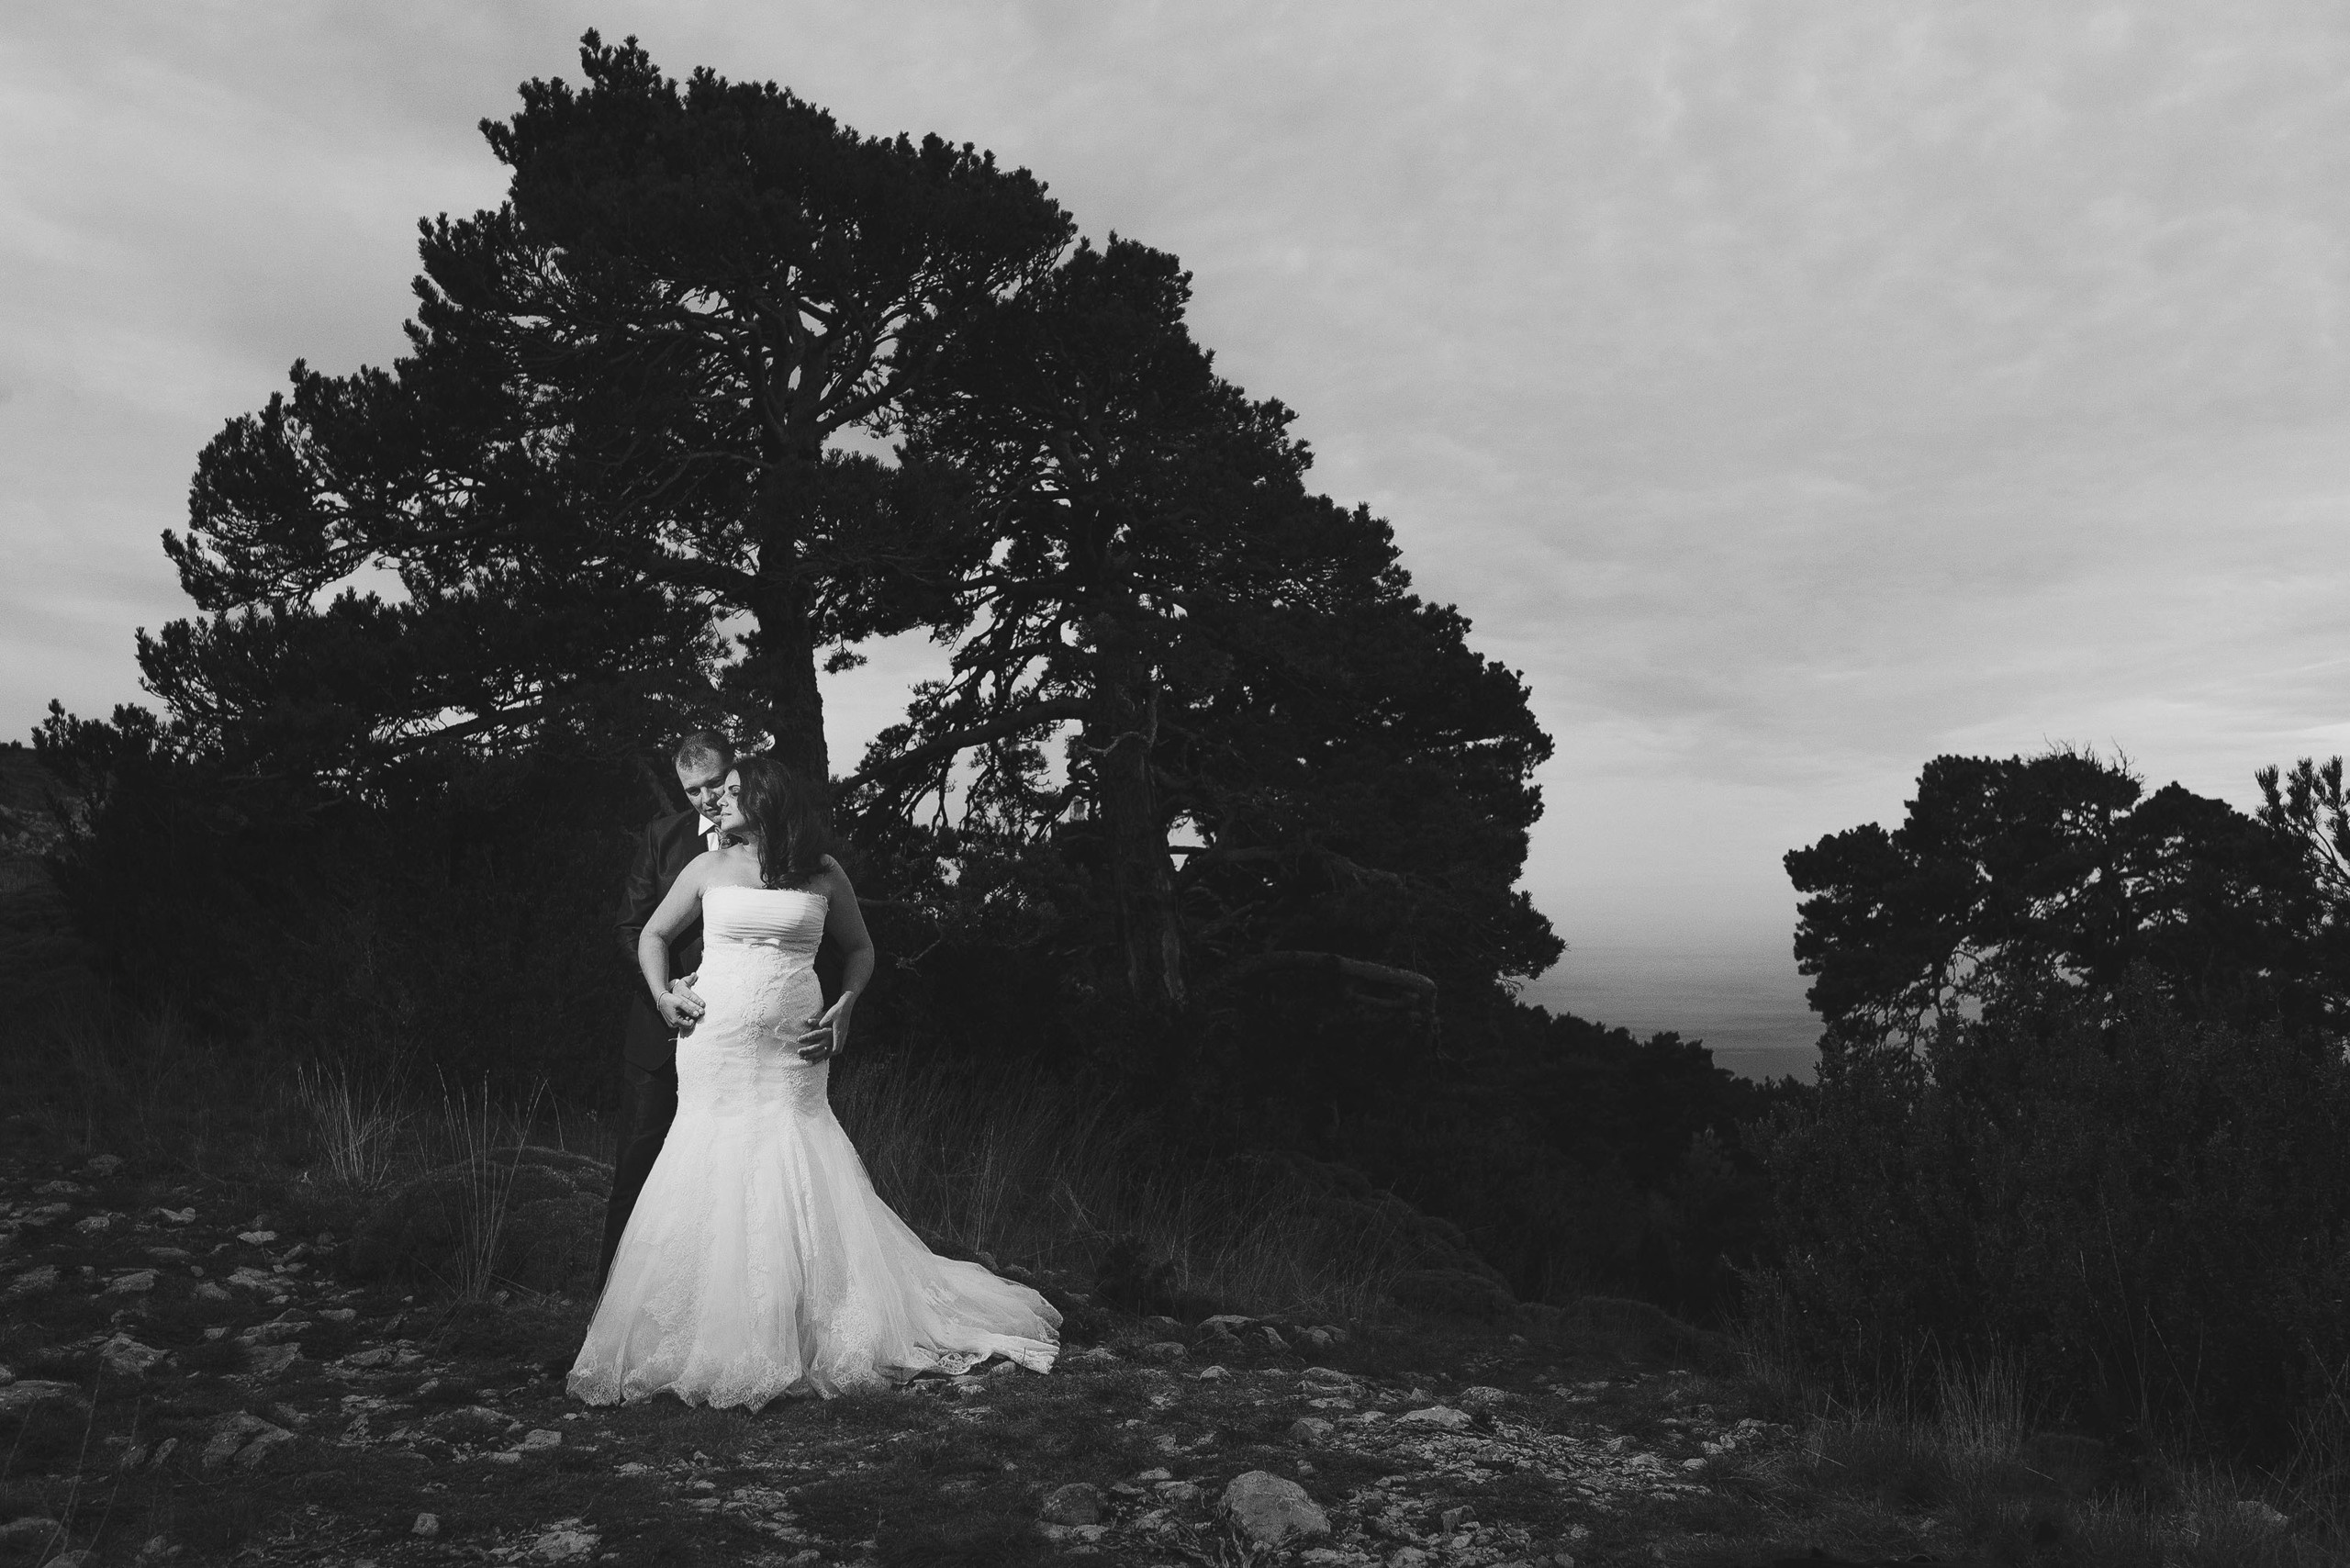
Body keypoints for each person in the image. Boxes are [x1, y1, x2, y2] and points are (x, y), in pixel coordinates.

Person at [568, 756, 1060, 1406]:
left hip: (795, 1049)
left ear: (768, 799)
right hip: (715, 1046)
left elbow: (860, 949)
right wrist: (663, 996)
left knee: (797, 1156)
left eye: (734, 791)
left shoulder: (823, 873)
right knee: (708, 1159)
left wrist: (848, 1005)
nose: (719, 800)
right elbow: (653, 934)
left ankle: (804, 1320)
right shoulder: (709, 866)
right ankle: (705, 1326)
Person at [597, 730, 735, 1293]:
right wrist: (662, 988)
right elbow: (630, 927)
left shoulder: (774, 844)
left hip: (735, 1038)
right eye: (691, 790)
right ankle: (608, 1304)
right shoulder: (662, 838)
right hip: (659, 1031)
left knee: (725, 1175)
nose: (704, 800)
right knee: (636, 1168)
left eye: (714, 785)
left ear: (735, 775)